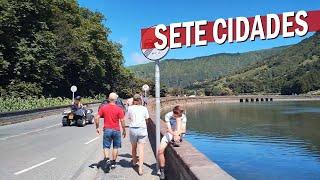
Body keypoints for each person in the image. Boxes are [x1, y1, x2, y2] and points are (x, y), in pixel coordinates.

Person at [94, 92, 126, 173]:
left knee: (106, 146)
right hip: (116, 130)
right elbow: (122, 120)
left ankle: (107, 160)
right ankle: (113, 163)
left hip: (107, 130)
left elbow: (96, 117)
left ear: (108, 99)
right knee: (115, 147)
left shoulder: (104, 107)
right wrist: (124, 130)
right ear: (116, 100)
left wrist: (97, 127)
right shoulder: (119, 109)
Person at [157, 105, 187, 179]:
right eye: (176, 116)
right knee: (160, 151)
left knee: (179, 122)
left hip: (179, 134)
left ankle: (175, 141)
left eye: (179, 115)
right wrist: (174, 135)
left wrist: (177, 134)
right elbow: (168, 129)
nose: (178, 117)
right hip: (170, 134)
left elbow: (183, 130)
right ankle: (162, 170)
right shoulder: (168, 115)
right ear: (174, 113)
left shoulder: (183, 117)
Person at [127, 94, 150, 175]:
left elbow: (129, 118)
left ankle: (134, 162)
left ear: (133, 100)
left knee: (134, 147)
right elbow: (147, 119)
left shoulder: (130, 108)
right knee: (141, 149)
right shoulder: (144, 108)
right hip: (142, 129)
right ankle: (140, 169)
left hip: (133, 129)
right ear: (140, 100)